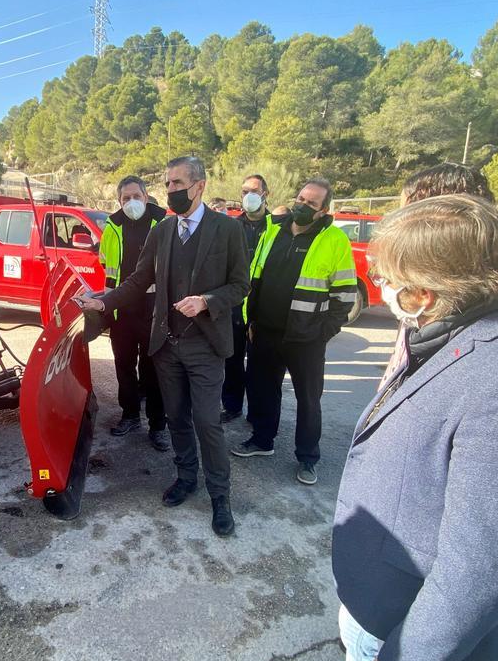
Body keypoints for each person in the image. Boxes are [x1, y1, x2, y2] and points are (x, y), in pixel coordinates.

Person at [332, 194, 498, 661]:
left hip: (407, 631)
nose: (381, 288)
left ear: (426, 291)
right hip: (382, 597)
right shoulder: (452, 331)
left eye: (388, 279)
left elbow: (481, 566)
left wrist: (403, 660)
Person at [75, 156, 251, 536]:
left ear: (199, 185)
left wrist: (207, 301)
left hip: (206, 346)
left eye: (177, 183)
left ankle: (220, 496)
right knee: (176, 420)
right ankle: (186, 479)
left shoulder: (227, 230)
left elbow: (241, 285)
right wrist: (103, 302)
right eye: (168, 184)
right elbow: (138, 281)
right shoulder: (163, 231)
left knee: (207, 421)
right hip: (167, 346)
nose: (170, 190)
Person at [232, 179, 357, 486]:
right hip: (266, 331)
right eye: (301, 198)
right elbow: (255, 276)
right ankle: (263, 440)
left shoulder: (334, 240)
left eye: (311, 203)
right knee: (263, 389)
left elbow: (345, 295)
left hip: (306, 338)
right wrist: (252, 322)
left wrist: (324, 332)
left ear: (323, 210)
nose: (302, 204)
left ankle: (307, 457)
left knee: (308, 399)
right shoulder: (274, 229)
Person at [99, 176, 170, 450]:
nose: (131, 203)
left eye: (136, 197)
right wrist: (107, 309)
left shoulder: (163, 223)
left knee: (154, 371)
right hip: (123, 312)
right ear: (119, 201)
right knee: (124, 368)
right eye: (125, 198)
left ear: (146, 196)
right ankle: (129, 416)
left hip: (153, 311)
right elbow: (107, 268)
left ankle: (157, 426)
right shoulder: (112, 227)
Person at [220, 174, 274, 423]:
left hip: (263, 307)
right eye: (244, 191)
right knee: (232, 359)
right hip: (235, 305)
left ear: (266, 194)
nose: (248, 196)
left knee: (260, 365)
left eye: (254, 190)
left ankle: (257, 412)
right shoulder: (232, 226)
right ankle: (232, 406)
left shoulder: (278, 228)